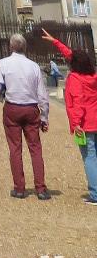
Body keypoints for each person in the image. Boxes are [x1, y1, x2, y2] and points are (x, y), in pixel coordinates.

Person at [39, 30, 97, 204]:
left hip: (85, 124)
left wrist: (77, 123)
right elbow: (73, 56)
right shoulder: (92, 76)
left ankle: (95, 194)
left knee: (89, 157)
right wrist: (55, 41)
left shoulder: (75, 79)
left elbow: (78, 103)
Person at [0, 32, 50, 199]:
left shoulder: (3, 63)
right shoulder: (34, 66)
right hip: (31, 110)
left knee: (15, 149)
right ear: (25, 47)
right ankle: (41, 189)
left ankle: (19, 188)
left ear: (11, 47)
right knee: (35, 149)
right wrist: (44, 117)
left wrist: (4, 87)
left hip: (12, 109)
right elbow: (43, 95)